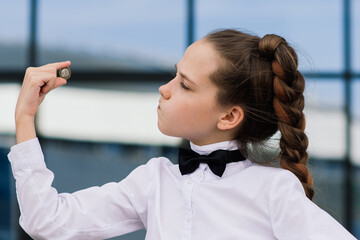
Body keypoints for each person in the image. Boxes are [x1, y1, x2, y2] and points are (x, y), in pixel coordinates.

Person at [8, 29, 357, 240]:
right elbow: (46, 222)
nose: (164, 89)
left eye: (185, 85)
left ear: (230, 115)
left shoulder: (274, 190)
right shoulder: (152, 181)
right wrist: (24, 118)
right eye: (175, 76)